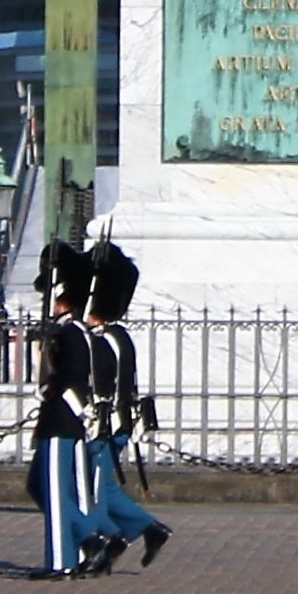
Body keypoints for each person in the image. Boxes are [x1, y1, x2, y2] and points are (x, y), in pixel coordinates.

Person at [27, 243, 115, 580]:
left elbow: (72, 376)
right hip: (65, 420)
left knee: (52, 490)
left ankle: (63, 559)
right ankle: (82, 547)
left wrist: (50, 386)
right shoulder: (71, 331)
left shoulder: (71, 333)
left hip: (62, 419)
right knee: (47, 488)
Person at [86, 238, 172, 569]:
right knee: (103, 484)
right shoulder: (119, 335)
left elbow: (97, 386)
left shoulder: (100, 339)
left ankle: (115, 536)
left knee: (94, 487)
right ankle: (145, 530)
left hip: (107, 423)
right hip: (121, 421)